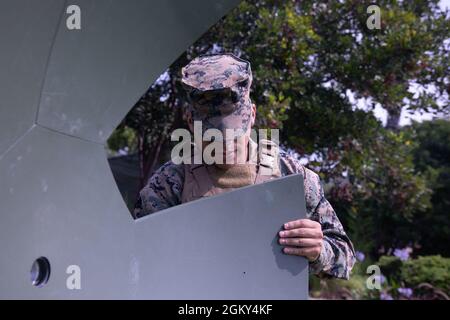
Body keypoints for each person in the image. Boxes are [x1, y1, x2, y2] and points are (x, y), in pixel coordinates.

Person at [133, 53, 355, 279]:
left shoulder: (292, 176)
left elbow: (345, 258)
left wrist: (319, 251)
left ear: (252, 116)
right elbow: (136, 257)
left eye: (233, 133)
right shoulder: (171, 182)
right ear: (190, 122)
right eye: (212, 135)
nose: (224, 143)